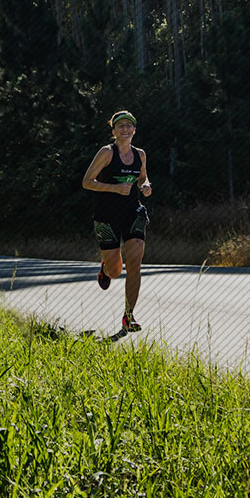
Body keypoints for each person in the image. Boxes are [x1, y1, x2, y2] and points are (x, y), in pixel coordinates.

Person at [82, 110, 152, 332]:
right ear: (113, 131)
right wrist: (114, 188)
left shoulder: (140, 154)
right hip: (107, 215)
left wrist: (146, 186)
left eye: (128, 126)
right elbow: (87, 182)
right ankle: (106, 268)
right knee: (116, 271)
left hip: (133, 213)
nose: (125, 129)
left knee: (135, 264)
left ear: (134, 130)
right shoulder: (106, 153)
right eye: (120, 126)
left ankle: (128, 316)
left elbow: (143, 177)